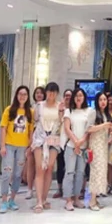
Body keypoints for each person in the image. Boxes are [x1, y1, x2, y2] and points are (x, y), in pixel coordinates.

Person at [0, 86, 34, 214]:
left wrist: (29, 147)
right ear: (16, 95)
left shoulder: (30, 112)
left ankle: (12, 199)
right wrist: (2, 146)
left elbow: (31, 132)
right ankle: (4, 201)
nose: (22, 96)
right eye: (20, 94)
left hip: (22, 147)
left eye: (25, 94)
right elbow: (3, 128)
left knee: (18, 174)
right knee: (7, 173)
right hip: (9, 145)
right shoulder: (9, 110)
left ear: (28, 96)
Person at [31, 82, 64, 213]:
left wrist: (61, 111)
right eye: (49, 91)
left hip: (54, 139)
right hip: (40, 138)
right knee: (40, 168)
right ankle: (38, 201)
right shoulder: (39, 105)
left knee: (49, 168)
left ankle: (44, 198)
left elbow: (62, 122)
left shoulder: (60, 106)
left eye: (54, 92)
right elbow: (34, 121)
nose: (51, 94)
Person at [63, 88, 92, 211]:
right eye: (76, 96)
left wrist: (81, 142)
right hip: (71, 146)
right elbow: (67, 128)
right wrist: (76, 143)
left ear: (84, 97)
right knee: (69, 173)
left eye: (81, 95)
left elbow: (89, 129)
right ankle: (68, 200)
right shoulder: (68, 111)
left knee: (80, 173)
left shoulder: (88, 111)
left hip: (83, 148)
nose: (78, 98)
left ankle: (76, 198)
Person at [87, 92, 112, 211]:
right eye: (101, 100)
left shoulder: (106, 114)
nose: (103, 102)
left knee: (102, 171)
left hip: (103, 146)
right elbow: (89, 129)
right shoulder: (93, 112)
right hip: (95, 145)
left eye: (105, 100)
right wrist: (103, 125)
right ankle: (92, 200)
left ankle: (96, 198)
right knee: (95, 171)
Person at [25, 86, 46, 199]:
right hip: (31, 136)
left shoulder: (46, 107)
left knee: (41, 165)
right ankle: (29, 189)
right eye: (37, 93)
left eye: (41, 93)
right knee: (30, 163)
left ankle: (40, 189)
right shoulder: (30, 107)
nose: (39, 95)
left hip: (43, 138)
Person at [53, 89, 72, 198]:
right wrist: (60, 112)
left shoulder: (75, 110)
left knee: (71, 167)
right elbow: (58, 123)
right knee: (60, 166)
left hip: (72, 142)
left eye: (70, 95)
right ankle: (59, 189)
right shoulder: (59, 108)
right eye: (66, 95)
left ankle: (71, 190)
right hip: (60, 142)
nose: (68, 97)